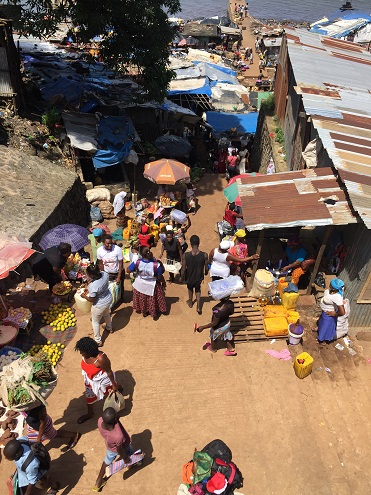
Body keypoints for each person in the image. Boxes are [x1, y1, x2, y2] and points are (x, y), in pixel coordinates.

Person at [75, 337, 118, 424]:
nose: (80, 353)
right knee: (89, 397)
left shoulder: (101, 359)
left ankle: (117, 387)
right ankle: (90, 413)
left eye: (82, 351)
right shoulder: (85, 356)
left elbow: (109, 371)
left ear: (89, 350)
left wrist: (113, 384)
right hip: (90, 380)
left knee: (112, 389)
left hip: (103, 380)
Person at [93, 407, 134, 492]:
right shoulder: (118, 435)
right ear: (115, 419)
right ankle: (130, 464)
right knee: (130, 452)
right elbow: (120, 450)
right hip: (122, 446)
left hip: (110, 447)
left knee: (106, 462)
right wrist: (125, 458)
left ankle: (98, 481)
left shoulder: (100, 420)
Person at [126, 246, 167, 319]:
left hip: (140, 285)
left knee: (143, 299)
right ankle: (153, 312)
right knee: (152, 299)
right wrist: (164, 283)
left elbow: (128, 270)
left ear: (141, 254)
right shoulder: (156, 265)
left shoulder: (137, 262)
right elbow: (160, 276)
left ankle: (144, 312)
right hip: (152, 285)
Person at [80, 263, 113, 345]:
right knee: (106, 314)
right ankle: (109, 327)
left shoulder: (93, 286)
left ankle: (98, 341)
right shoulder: (105, 274)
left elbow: (92, 299)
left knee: (95, 322)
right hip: (108, 299)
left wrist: (84, 296)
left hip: (99, 305)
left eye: (88, 274)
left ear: (91, 275)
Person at [182, 235, 208, 315]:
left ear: (190, 243)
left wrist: (182, 277)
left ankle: (190, 302)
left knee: (190, 288)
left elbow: (183, 269)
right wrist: (206, 272)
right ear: (199, 243)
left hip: (189, 277)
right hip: (199, 277)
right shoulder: (204, 255)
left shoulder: (186, 255)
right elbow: (206, 268)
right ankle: (199, 306)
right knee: (198, 289)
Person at [317, 278, 345, 344]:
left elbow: (342, 312)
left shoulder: (337, 297)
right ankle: (319, 330)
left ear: (334, 288)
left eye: (331, 284)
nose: (329, 284)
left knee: (326, 327)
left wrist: (334, 314)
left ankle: (322, 340)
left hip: (329, 315)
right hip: (324, 312)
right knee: (322, 323)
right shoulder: (330, 290)